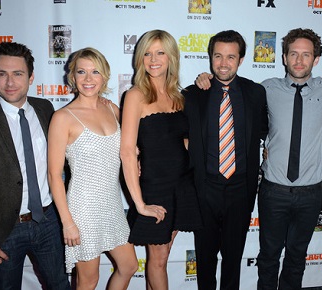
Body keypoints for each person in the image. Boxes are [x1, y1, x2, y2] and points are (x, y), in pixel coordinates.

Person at [195, 28, 322, 289]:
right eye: (293, 53)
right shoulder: (264, 90)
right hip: (273, 190)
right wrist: (203, 79)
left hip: (310, 192)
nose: (298, 60)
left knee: (297, 257)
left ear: (316, 59)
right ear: (283, 57)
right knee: (268, 256)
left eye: (306, 55)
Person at [0, 42, 70, 290]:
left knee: (60, 285)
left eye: (17, 73)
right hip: (3, 230)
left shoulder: (45, 108)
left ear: (31, 77)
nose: (9, 82)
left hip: (48, 221)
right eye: (1, 74)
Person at [184, 30, 268, 290]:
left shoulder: (255, 93)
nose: (223, 63)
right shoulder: (193, 93)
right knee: (205, 259)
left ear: (241, 60)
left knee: (233, 259)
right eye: (218, 56)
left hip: (240, 190)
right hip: (204, 189)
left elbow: (264, 131)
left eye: (230, 57)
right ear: (210, 58)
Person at [47, 47, 138, 289]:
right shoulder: (63, 118)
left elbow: (128, 148)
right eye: (82, 72)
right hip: (83, 210)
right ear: (72, 77)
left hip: (112, 205)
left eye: (95, 72)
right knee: (89, 280)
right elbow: (54, 175)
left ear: (105, 77)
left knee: (129, 266)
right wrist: (67, 222)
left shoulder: (111, 108)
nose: (88, 79)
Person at [120, 30, 202, 290]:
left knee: (163, 256)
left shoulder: (178, 96)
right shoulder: (135, 95)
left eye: (160, 53)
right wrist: (140, 204)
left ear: (171, 57)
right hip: (154, 187)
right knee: (157, 259)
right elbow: (126, 152)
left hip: (182, 185)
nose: (153, 59)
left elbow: (184, 141)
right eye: (146, 53)